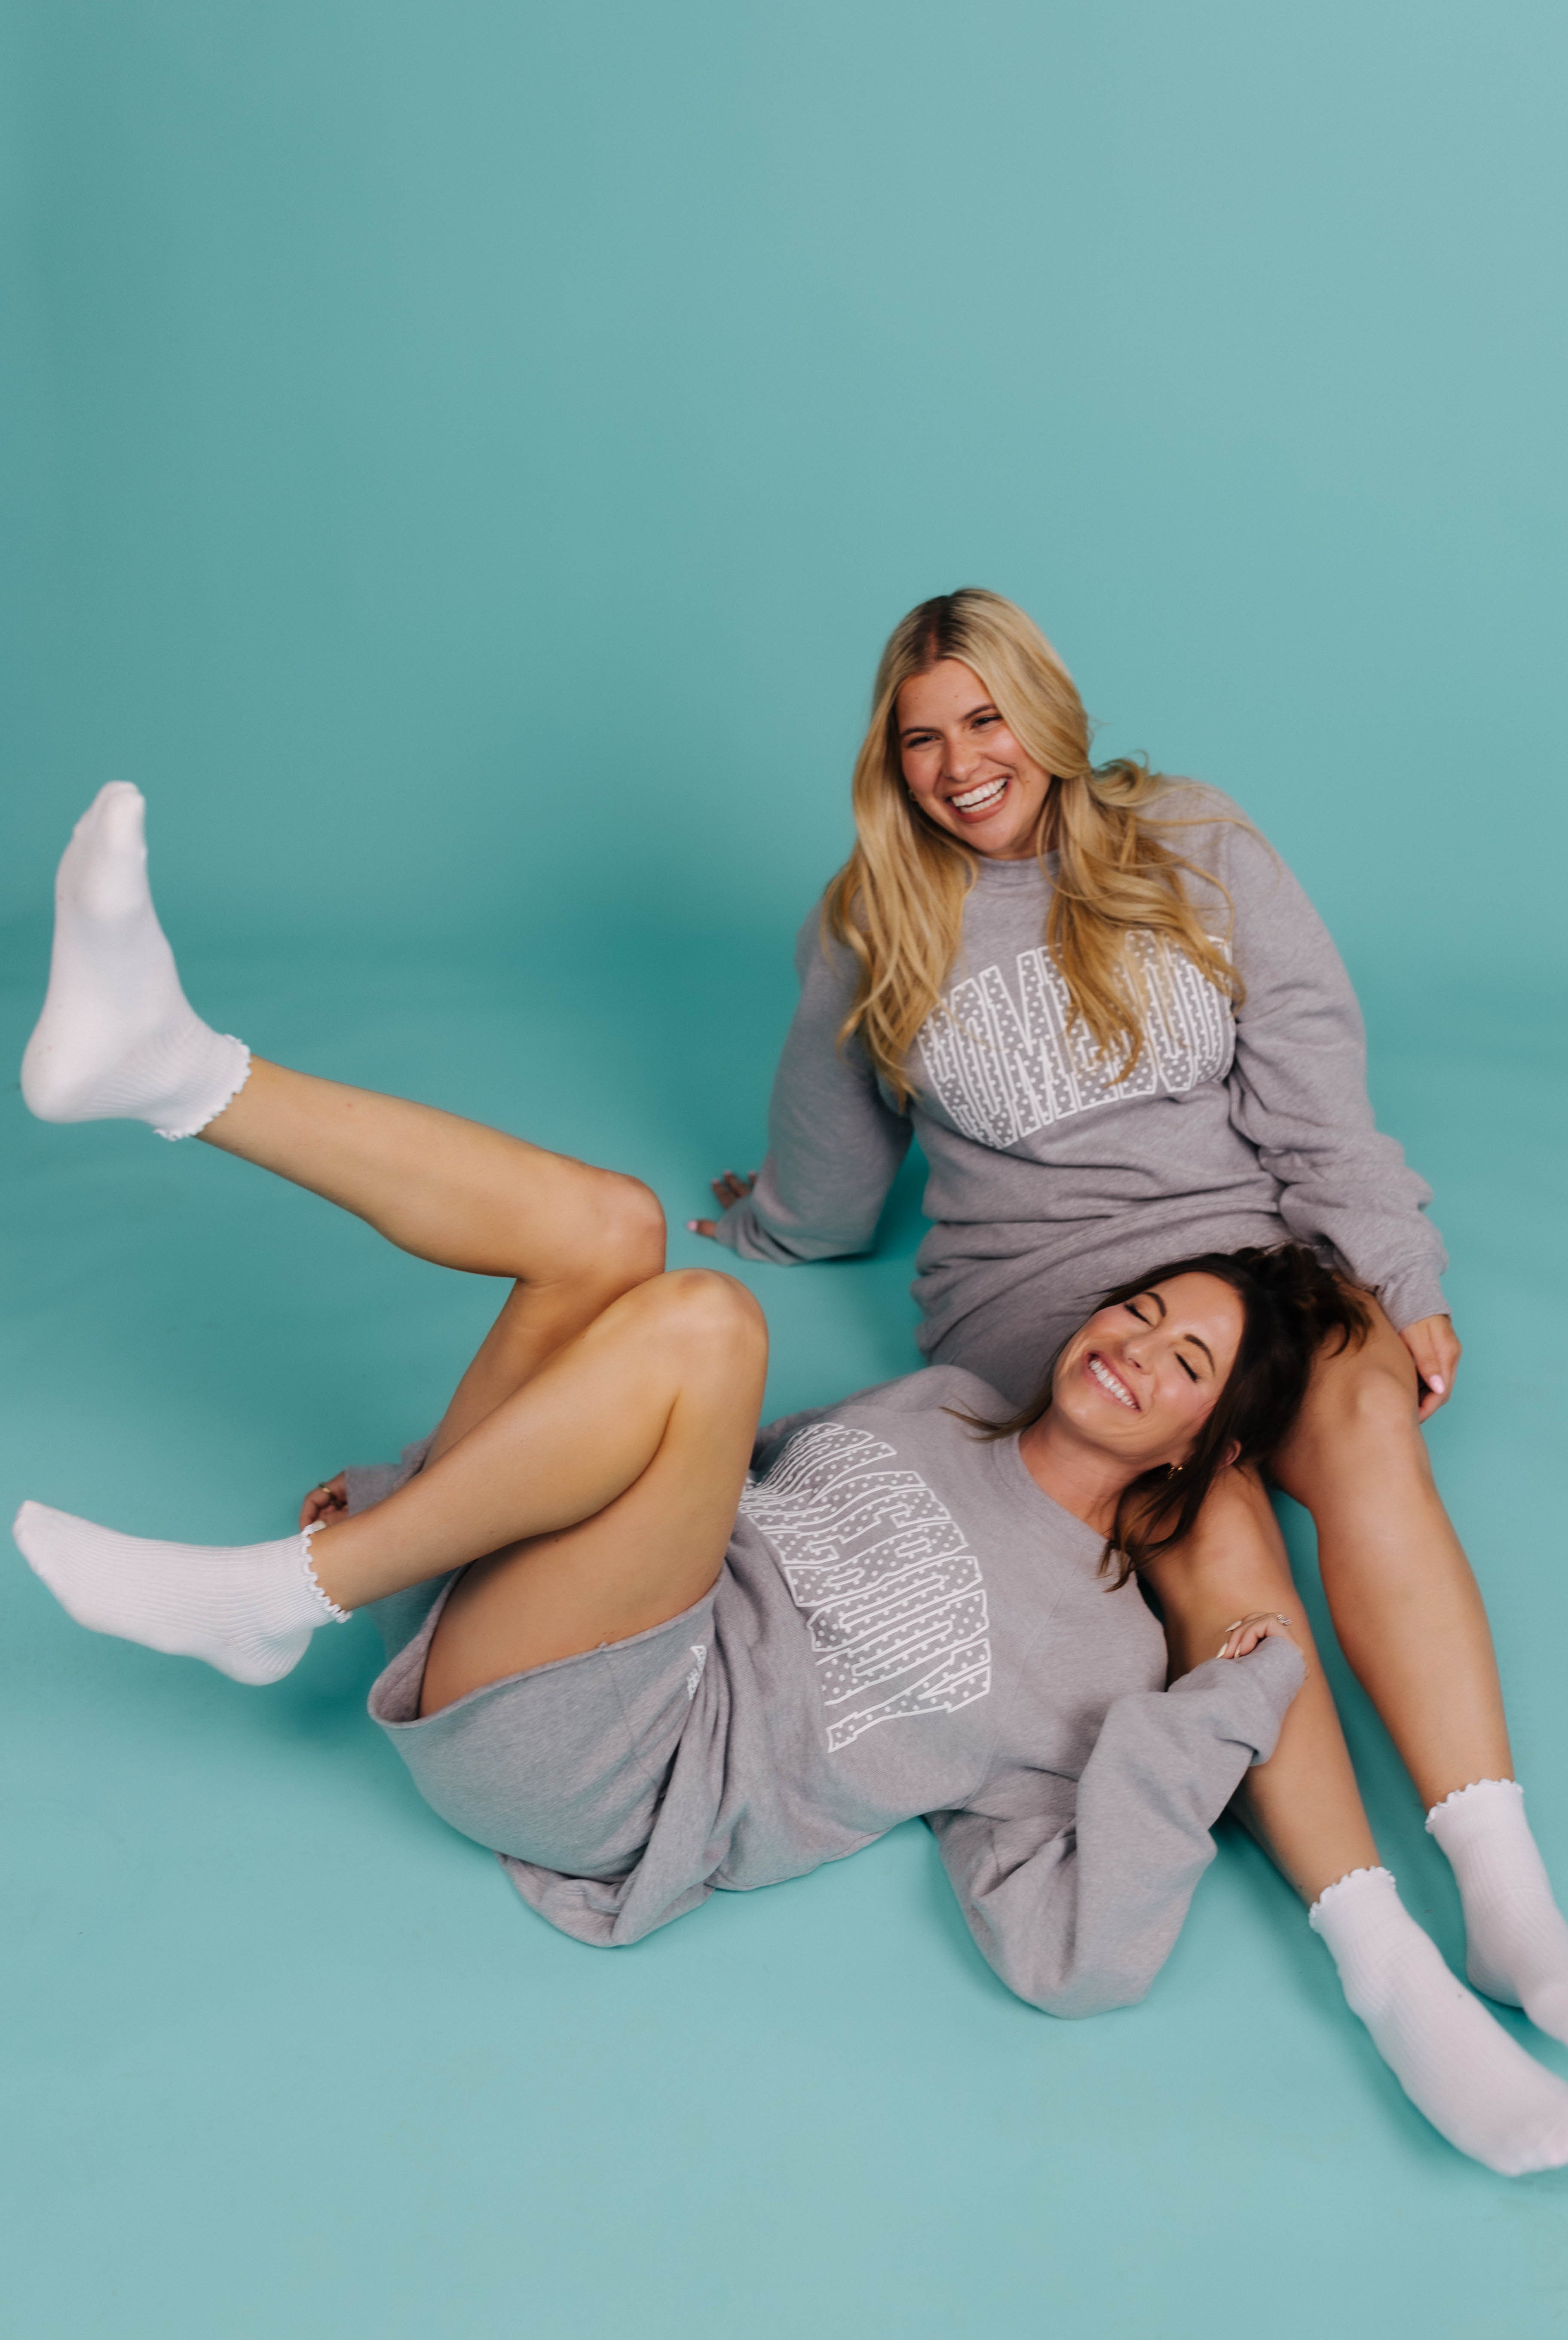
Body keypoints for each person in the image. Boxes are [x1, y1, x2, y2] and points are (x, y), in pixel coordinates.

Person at [11, 786, 1568, 2179]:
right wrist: (401, 1482)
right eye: (1138, 1312)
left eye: (1181, 1370)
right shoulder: (941, 1401)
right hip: (548, 1622)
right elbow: (674, 1472)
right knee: (618, 1231)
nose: (1135, 1347)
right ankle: (181, 1069)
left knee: (700, 1320)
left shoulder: (1103, 1657)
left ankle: (272, 1604)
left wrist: (1210, 1718)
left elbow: (1073, 1958)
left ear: (1200, 1451)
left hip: (623, 1763)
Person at [694, 587, 1568, 2104]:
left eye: (985, 719)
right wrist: (769, 1220)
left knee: (1363, 1415)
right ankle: (1388, 1968)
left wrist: (1399, 1270)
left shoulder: (1198, 839)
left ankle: (1504, 1893)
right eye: (921, 740)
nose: (960, 764)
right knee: (1204, 1512)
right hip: (1039, 1294)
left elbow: (1313, 1093)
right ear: (888, 763)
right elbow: (833, 1185)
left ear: (1045, 713)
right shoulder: (872, 919)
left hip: (1244, 1255)